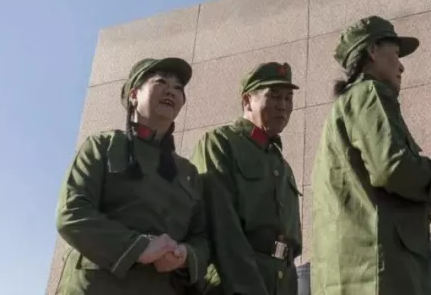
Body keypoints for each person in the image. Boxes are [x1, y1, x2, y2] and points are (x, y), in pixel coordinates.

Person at [310, 16, 431, 295]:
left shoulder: (351, 103)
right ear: (373, 51)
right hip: (379, 273)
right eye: (395, 53)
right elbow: (391, 168)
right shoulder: (369, 92)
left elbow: (375, 190)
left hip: (361, 271)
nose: (402, 66)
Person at [55, 57, 210, 295]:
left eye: (178, 88)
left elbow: (202, 237)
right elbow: (72, 213)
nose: (171, 91)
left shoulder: (188, 173)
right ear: (134, 95)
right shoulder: (102, 146)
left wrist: (186, 255)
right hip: (98, 287)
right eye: (161, 82)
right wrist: (139, 247)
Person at [191, 61, 303, 295]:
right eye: (274, 96)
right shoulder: (221, 143)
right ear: (247, 101)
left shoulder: (282, 166)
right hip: (234, 284)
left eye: (288, 98)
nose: (283, 105)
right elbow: (222, 225)